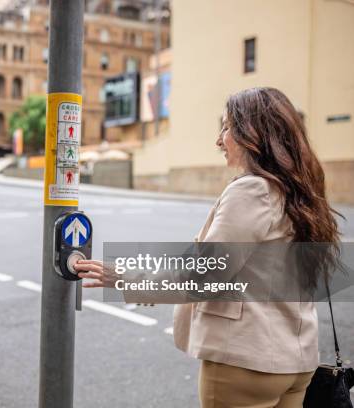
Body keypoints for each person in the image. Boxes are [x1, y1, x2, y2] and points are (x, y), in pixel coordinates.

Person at [74, 87, 342, 407]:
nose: (219, 140)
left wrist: (123, 276)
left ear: (253, 134)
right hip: (296, 362)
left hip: (246, 362)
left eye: (227, 127)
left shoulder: (252, 191)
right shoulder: (301, 192)